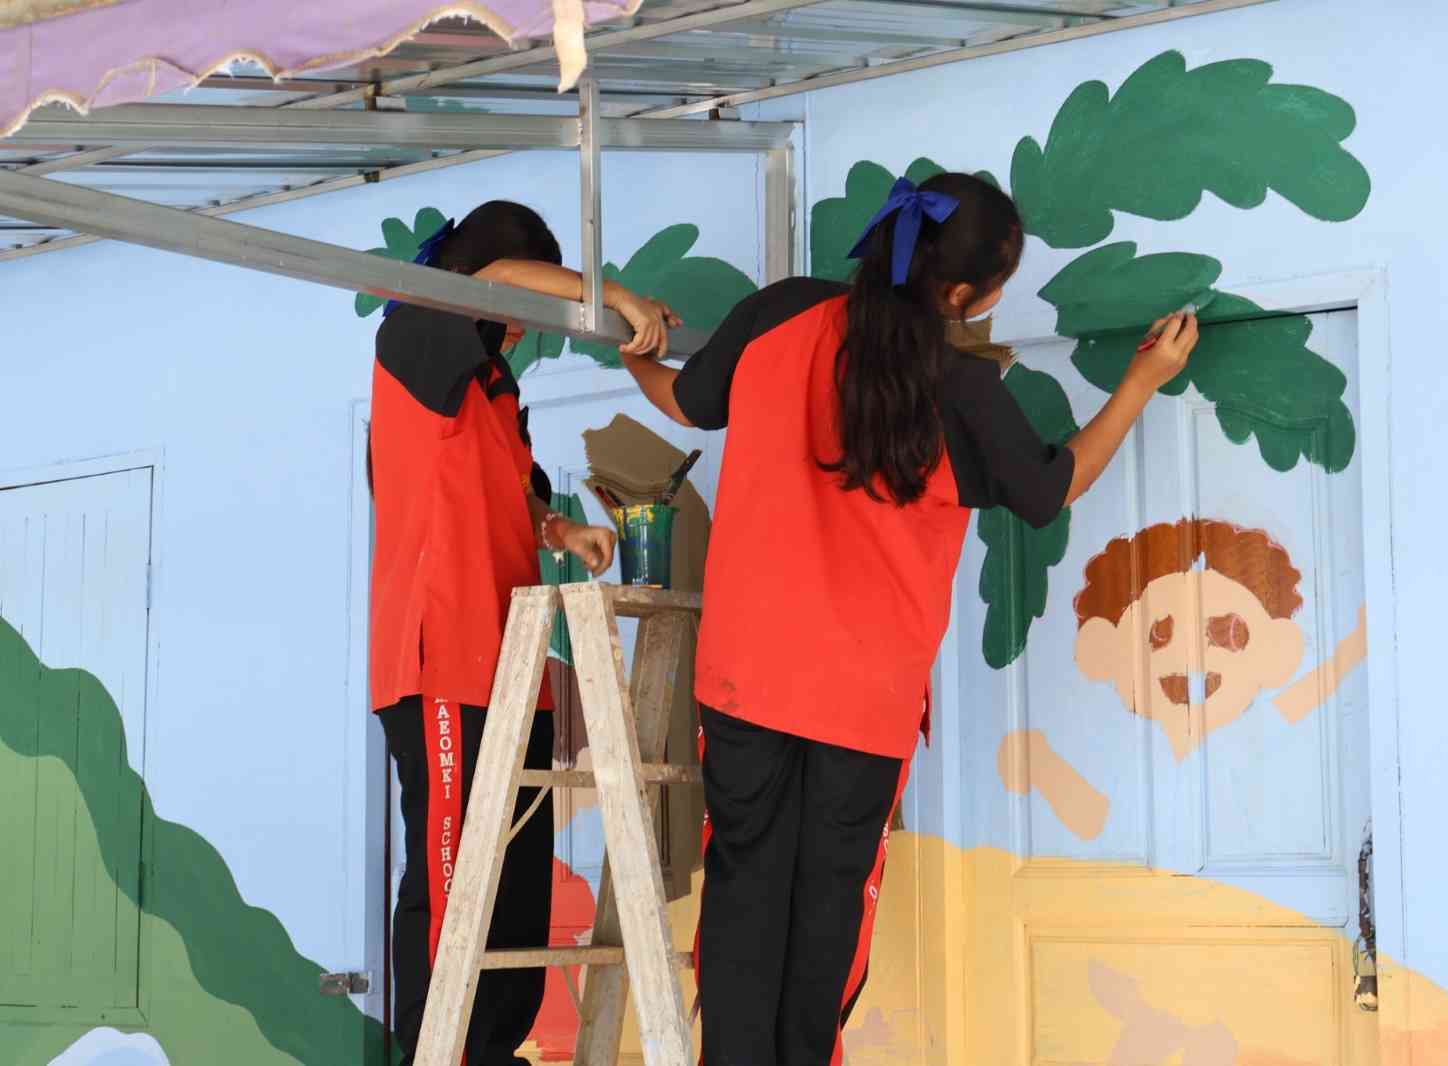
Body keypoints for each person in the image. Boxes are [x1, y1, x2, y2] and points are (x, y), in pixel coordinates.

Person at [620, 173, 1200, 1065]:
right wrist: (1142, 380)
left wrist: (634, 353)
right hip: (863, 701)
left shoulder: (780, 313)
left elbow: (685, 401)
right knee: (827, 907)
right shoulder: (960, 389)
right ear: (964, 293)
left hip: (745, 676)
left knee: (743, 892)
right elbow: (1052, 488)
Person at [367, 199, 677, 1065]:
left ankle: (496, 1049)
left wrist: (561, 531)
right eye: (525, 313)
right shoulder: (413, 335)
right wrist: (612, 297)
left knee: (514, 884)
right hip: (439, 659)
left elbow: (514, 489)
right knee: (454, 881)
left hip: (509, 662)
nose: (522, 331)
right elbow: (497, 279)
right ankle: (440, 1052)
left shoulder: (495, 387)